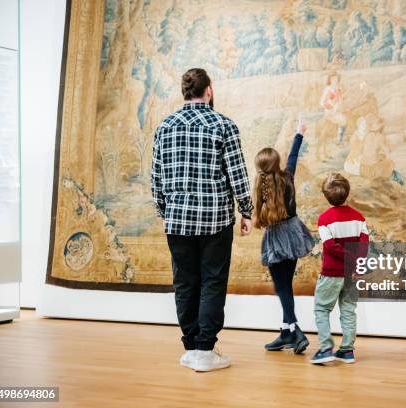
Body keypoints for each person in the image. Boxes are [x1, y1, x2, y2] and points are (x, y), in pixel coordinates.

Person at [151, 68, 253, 372]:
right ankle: (206, 350)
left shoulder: (164, 127)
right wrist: (246, 210)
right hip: (215, 221)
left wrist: (165, 212)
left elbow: (156, 179)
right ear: (208, 90)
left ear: (185, 92)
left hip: (177, 221)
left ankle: (192, 347)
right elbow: (237, 174)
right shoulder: (223, 125)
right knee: (212, 282)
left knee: (185, 283)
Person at [254, 120, 315, 354]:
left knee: (282, 289)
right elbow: (293, 155)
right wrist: (299, 133)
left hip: (276, 240)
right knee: (285, 286)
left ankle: (296, 331)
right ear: (278, 164)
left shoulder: (261, 187)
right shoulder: (288, 176)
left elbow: (259, 217)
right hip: (294, 233)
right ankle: (285, 334)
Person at [311, 173, 369, 365]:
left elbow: (330, 247)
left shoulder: (324, 219)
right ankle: (347, 350)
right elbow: (364, 245)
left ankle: (326, 348)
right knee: (349, 310)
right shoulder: (359, 218)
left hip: (331, 273)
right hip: (351, 274)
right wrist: (356, 264)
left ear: (326, 196)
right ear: (347, 192)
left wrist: (349, 259)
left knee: (321, 308)